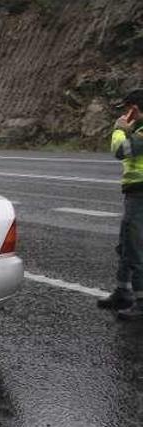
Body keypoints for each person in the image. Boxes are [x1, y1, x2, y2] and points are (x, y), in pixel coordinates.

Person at [98, 89, 143, 319]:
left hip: (140, 194)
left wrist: (118, 129)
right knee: (126, 243)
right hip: (135, 194)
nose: (124, 114)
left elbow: (120, 151)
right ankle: (122, 291)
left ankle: (140, 300)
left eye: (126, 109)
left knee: (135, 247)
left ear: (134, 109)